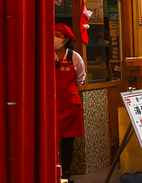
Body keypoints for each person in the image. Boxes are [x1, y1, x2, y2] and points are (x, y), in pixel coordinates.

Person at [54, 23, 86, 183]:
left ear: (66, 40)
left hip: (70, 105)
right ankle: (51, 169)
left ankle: (66, 172)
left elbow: (80, 79)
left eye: (58, 35)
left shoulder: (74, 57)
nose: (55, 38)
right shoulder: (46, 55)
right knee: (50, 140)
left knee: (68, 141)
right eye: (53, 34)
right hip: (51, 106)